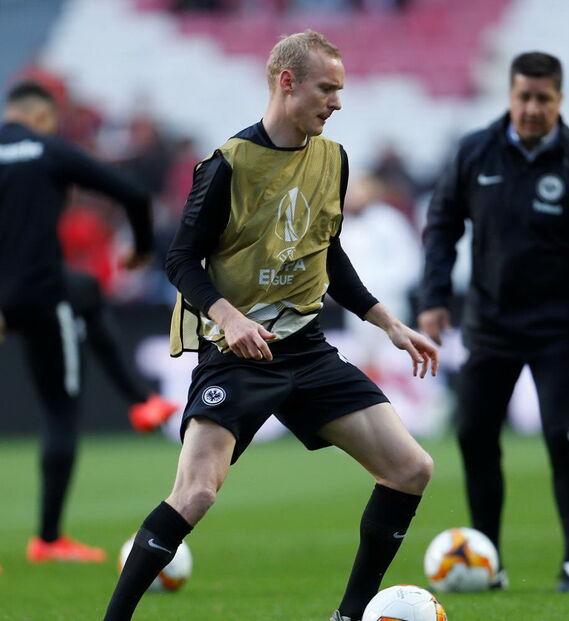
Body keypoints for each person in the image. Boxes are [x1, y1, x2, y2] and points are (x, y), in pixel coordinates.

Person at [100, 31, 438, 621]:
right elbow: (179, 258)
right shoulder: (228, 164)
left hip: (306, 349)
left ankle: (349, 615)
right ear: (287, 82)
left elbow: (326, 251)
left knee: (411, 469)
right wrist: (226, 317)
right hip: (236, 354)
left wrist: (387, 322)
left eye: (340, 90)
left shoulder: (333, 159)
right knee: (197, 492)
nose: (337, 102)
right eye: (327, 88)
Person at [419, 52, 569, 592]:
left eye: (543, 99)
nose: (531, 109)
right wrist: (434, 299)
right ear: (509, 96)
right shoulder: (475, 151)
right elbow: (441, 225)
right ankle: (488, 559)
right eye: (523, 97)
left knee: (562, 437)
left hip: (561, 330)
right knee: (475, 437)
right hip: (490, 324)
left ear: (559, 100)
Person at [0, 81, 153, 564]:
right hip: (44, 298)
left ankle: (141, 400)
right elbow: (131, 193)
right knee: (59, 415)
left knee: (85, 290)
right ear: (43, 117)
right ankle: (48, 539)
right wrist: (142, 248)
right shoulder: (49, 150)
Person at [64, 269, 178, 432]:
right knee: (60, 415)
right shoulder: (82, 286)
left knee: (61, 413)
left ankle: (143, 400)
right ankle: (143, 400)